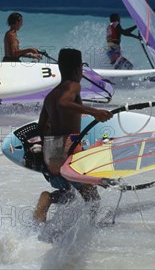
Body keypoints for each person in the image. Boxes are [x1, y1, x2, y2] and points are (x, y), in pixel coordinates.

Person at [33, 48, 113, 223]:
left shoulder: (50, 96)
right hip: (69, 146)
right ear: (78, 68)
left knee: (69, 194)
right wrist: (93, 111)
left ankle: (48, 199)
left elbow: (40, 128)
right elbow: (64, 103)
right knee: (92, 197)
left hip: (51, 150)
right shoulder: (73, 86)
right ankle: (90, 231)